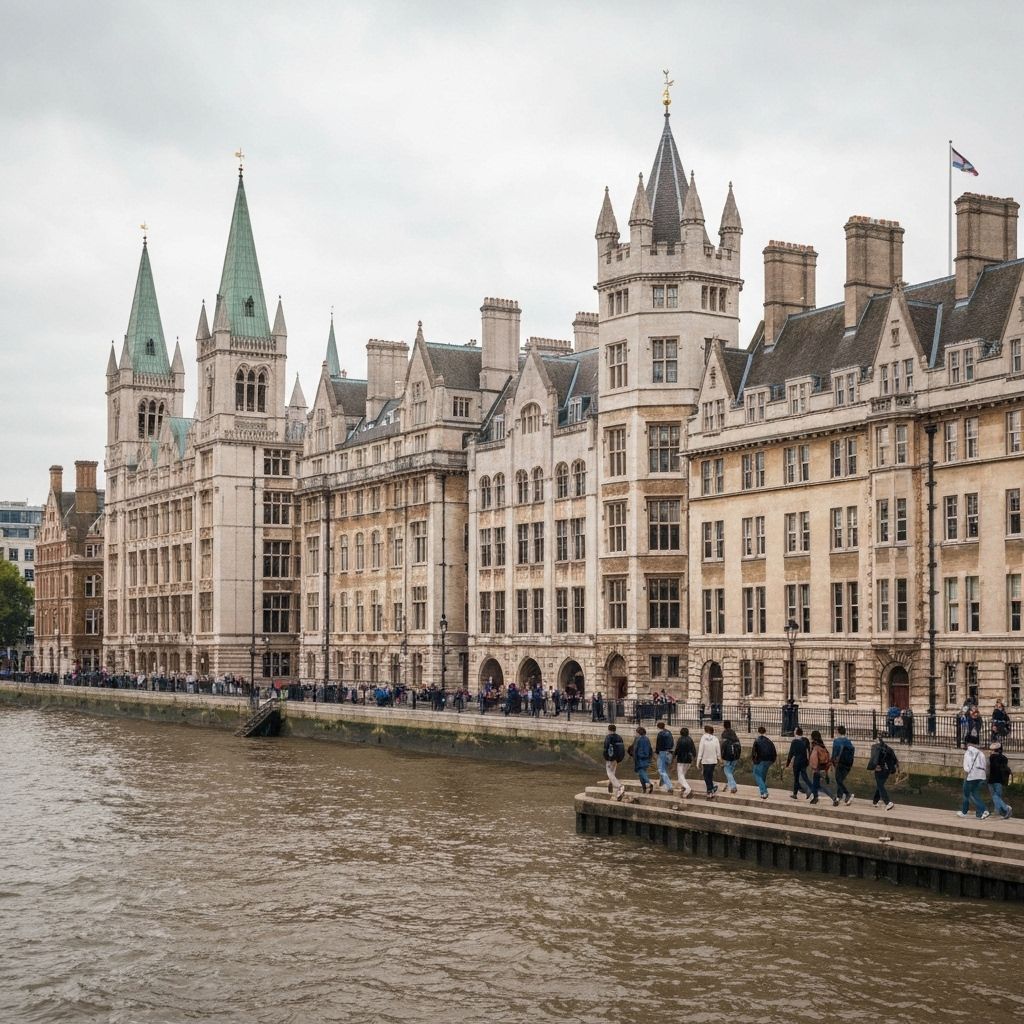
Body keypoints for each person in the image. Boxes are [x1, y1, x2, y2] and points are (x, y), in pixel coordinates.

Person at [956, 739, 991, 820]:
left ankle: (966, 812)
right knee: (975, 793)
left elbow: (966, 768)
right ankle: (980, 812)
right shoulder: (981, 753)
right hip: (981, 776)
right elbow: (984, 765)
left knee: (966, 794)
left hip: (971, 776)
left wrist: (968, 772)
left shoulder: (967, 753)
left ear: (967, 745)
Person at [866, 735, 898, 810]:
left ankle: (888, 802)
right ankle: (875, 801)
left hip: (880, 769)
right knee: (880, 785)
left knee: (880, 786)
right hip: (888, 770)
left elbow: (874, 759)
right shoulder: (888, 748)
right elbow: (895, 759)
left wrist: (874, 766)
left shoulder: (876, 748)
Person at [808, 730, 839, 806]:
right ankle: (815, 798)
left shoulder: (815, 747)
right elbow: (827, 756)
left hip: (818, 768)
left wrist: (814, 768)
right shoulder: (822, 746)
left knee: (820, 785)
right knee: (816, 784)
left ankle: (834, 798)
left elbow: (813, 758)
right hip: (823, 768)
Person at [986, 741, 1013, 819]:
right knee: (998, 796)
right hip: (1001, 780)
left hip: (991, 779)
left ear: (994, 750)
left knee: (994, 796)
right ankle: (998, 812)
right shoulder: (1004, 758)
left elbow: (987, 769)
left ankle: (1006, 808)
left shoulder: (991, 758)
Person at [830, 725, 856, 805]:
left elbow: (834, 753)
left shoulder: (837, 741)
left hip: (840, 763)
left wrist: (832, 762)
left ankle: (847, 794)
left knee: (838, 780)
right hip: (848, 764)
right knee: (840, 780)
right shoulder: (848, 741)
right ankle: (838, 797)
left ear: (838, 732)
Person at [785, 727, 812, 800]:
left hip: (797, 761)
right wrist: (809, 760)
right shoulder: (806, 740)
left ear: (796, 732)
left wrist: (787, 764)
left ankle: (795, 794)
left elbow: (791, 754)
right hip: (804, 761)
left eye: (794, 730)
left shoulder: (794, 741)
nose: (794, 731)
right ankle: (810, 788)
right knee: (804, 776)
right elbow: (809, 751)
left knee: (796, 778)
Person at [750, 725, 777, 800]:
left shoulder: (757, 740)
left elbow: (753, 753)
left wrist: (754, 761)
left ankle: (764, 792)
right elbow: (774, 751)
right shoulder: (769, 741)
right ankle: (763, 791)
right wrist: (772, 760)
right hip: (770, 760)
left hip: (761, 760)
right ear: (765, 732)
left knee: (756, 774)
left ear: (758, 732)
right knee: (763, 776)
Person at [696, 724, 721, 799]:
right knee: (709, 775)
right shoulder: (715, 738)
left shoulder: (703, 738)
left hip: (706, 761)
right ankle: (711, 789)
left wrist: (698, 761)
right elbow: (718, 750)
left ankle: (709, 790)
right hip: (713, 760)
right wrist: (719, 759)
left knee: (706, 776)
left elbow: (700, 750)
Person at [602, 724, 626, 800]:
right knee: (613, 772)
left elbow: (606, 748)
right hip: (616, 758)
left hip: (610, 758)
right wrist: (619, 759)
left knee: (609, 773)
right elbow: (622, 749)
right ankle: (610, 784)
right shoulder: (619, 737)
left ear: (609, 730)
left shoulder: (608, 737)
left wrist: (606, 758)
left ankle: (620, 787)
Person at [673, 726, 696, 798]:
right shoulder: (690, 739)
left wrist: (674, 757)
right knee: (683, 774)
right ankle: (683, 786)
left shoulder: (680, 740)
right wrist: (694, 757)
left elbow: (677, 749)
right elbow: (693, 749)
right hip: (688, 759)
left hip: (681, 759)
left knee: (680, 775)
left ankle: (687, 788)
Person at [631, 726, 654, 794]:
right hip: (645, 759)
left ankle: (649, 784)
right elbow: (650, 750)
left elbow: (638, 750)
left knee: (641, 772)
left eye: (636, 732)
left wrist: (637, 756)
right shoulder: (646, 739)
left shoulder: (640, 739)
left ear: (639, 733)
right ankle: (644, 789)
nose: (636, 733)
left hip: (640, 759)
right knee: (641, 775)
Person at [720, 719, 741, 794]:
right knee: (730, 772)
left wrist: (721, 757)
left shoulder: (724, 734)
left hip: (727, 756)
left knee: (726, 771)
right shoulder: (734, 733)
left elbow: (722, 746)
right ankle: (727, 786)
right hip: (735, 756)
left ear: (724, 726)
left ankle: (733, 786)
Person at [654, 720, 675, 794]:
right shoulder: (669, 732)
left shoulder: (660, 734)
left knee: (661, 770)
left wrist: (656, 752)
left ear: (658, 727)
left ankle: (669, 786)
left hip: (662, 752)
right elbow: (672, 743)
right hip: (669, 753)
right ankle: (662, 784)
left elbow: (658, 744)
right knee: (665, 769)